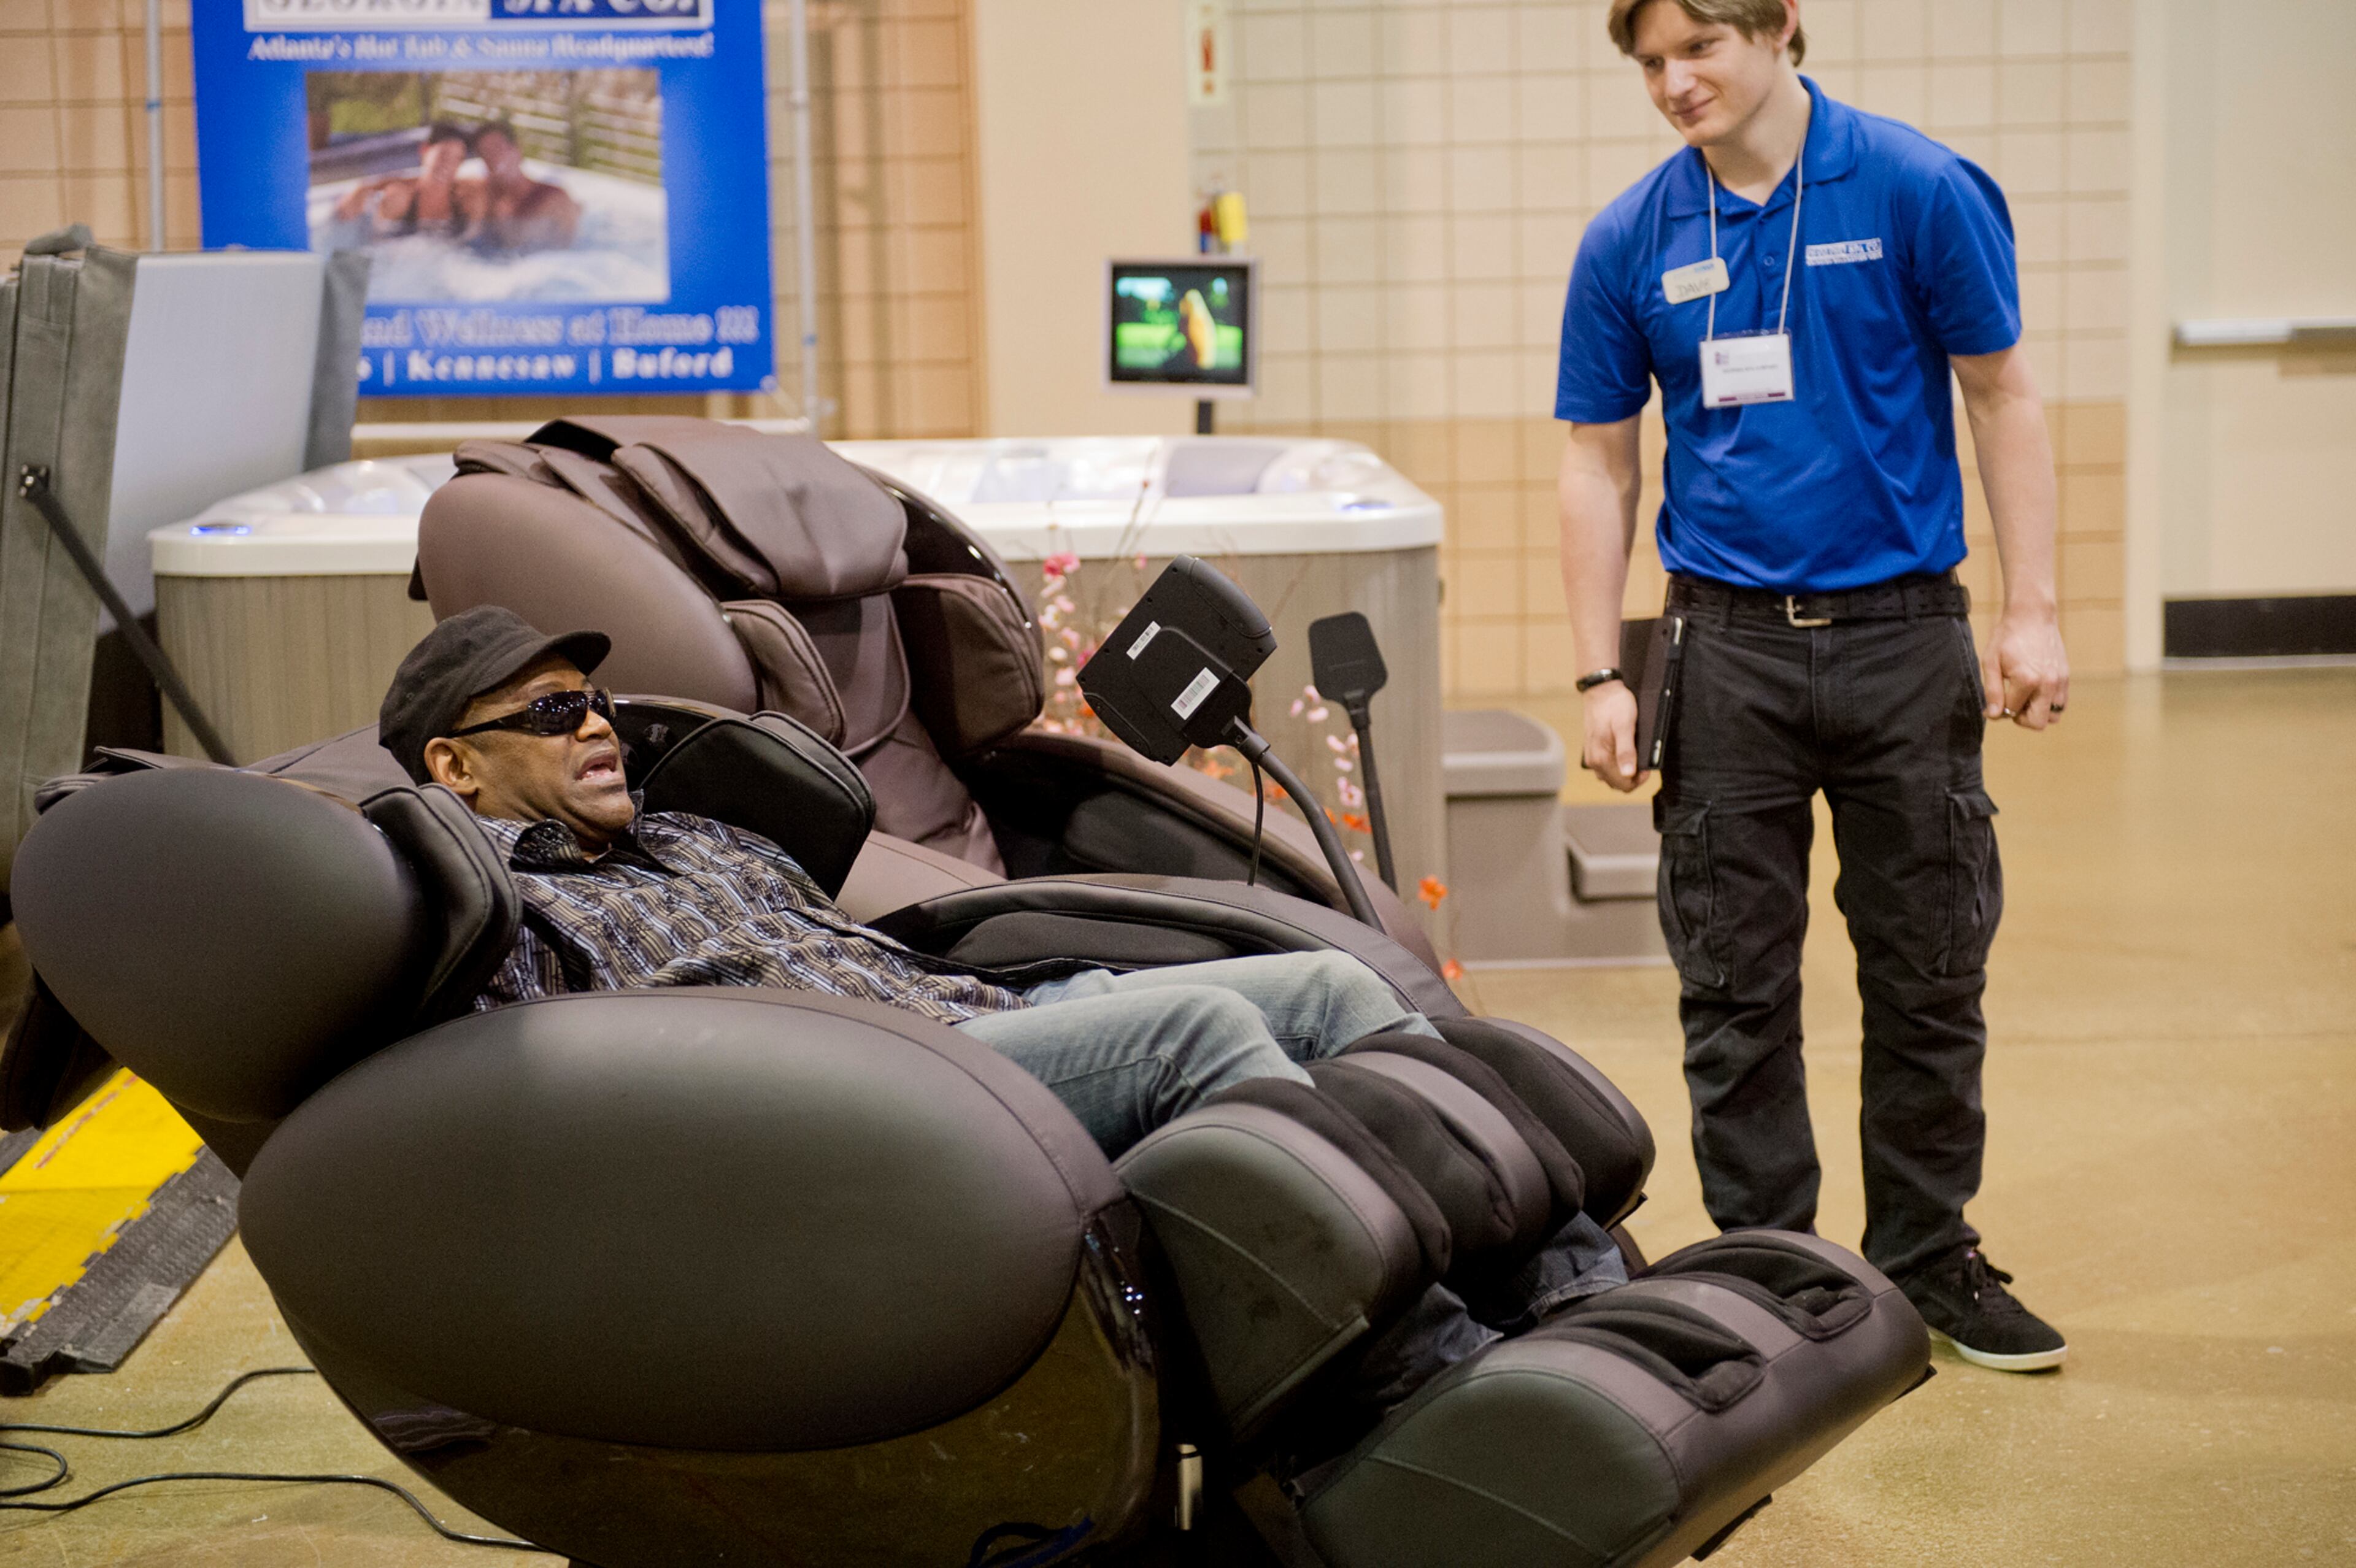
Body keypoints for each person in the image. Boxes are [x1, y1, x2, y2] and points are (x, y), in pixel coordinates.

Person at [375, 608, 1625, 1399]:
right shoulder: (501, 914)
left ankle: (1568, 1291)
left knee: (1332, 980)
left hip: (978, 1009)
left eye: (593, 701)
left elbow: (857, 937)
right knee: (1203, 1032)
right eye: (551, 714)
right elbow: (537, 1109)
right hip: (897, 1094)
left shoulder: (692, 831)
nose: (597, 724)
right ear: (456, 764)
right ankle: (1416, 1369)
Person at [1553, 0, 2068, 1372]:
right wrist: (1603, 665)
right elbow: (1598, 461)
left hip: (1906, 638)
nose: (1674, 84)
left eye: (1699, 49)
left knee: (1929, 970)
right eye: (1652, 63)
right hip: (1724, 653)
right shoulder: (1632, 238)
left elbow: (2002, 394)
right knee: (1731, 981)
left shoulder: (1914, 187)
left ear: (1782, 26)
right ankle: (1769, 1269)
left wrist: (2033, 610)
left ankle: (1927, 1254)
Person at [454, 121, 581, 255]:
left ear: (517, 150)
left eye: (498, 148)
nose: (494, 158)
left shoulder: (553, 198)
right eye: (486, 152)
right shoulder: (483, 194)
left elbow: (571, 256)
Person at [332, 120, 471, 240]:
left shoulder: (465, 198)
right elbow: (364, 245)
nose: (449, 165)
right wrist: (362, 189)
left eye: (457, 159)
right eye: (443, 155)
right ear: (424, 150)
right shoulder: (400, 199)